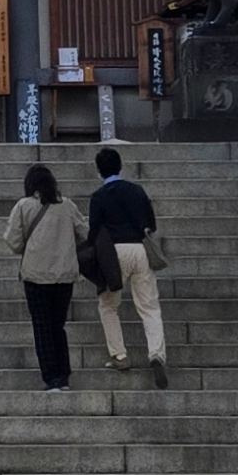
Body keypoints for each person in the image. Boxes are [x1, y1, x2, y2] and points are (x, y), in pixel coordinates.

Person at [85, 144, 167, 384]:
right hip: (140, 250)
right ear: (120, 167)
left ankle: (119, 355)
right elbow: (151, 224)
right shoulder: (137, 191)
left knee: (108, 305)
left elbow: (94, 232)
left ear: (99, 171)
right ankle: (156, 354)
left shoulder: (98, 197)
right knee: (149, 307)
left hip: (113, 253)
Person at [2, 162, 81, 391]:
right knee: (58, 326)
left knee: (42, 327)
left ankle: (52, 377)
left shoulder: (23, 206)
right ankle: (63, 375)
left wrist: (28, 248)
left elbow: (13, 240)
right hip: (64, 276)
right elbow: (84, 232)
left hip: (35, 276)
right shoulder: (67, 205)